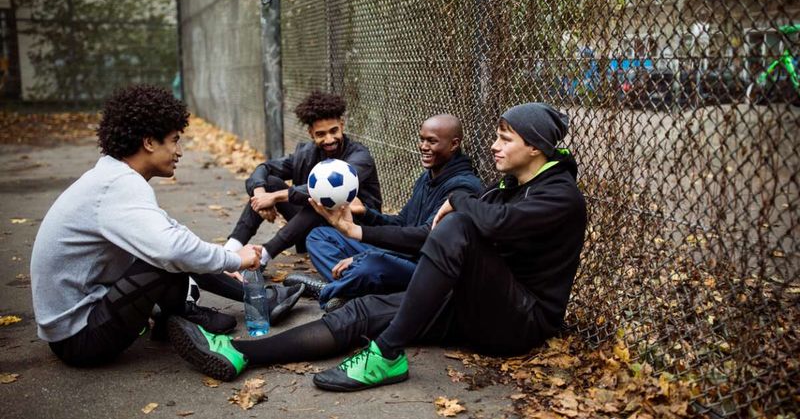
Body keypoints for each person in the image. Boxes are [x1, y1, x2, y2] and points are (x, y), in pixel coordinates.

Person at [167, 102, 587, 393]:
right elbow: (423, 234)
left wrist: (460, 202)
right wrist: (356, 230)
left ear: (534, 146)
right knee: (364, 310)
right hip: (480, 304)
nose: (494, 146)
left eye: (505, 139)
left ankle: (386, 355)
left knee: (455, 226)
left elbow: (489, 224)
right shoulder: (511, 186)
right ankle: (238, 352)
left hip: (521, 320)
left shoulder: (559, 194)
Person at [30, 85, 263, 367]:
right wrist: (235, 258)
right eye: (175, 140)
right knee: (167, 257)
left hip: (79, 322)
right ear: (150, 142)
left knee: (173, 247)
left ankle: (179, 316)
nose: (179, 151)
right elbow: (171, 249)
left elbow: (170, 230)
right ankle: (187, 315)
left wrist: (221, 261)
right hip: (79, 339)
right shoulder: (118, 185)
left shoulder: (112, 177)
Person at [287, 114, 482, 310]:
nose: (423, 146)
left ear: (454, 144)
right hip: (404, 254)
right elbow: (401, 223)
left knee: (371, 264)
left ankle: (329, 290)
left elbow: (425, 237)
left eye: (432, 141)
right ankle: (350, 288)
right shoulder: (428, 177)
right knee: (319, 236)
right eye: (422, 139)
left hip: (427, 267)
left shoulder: (462, 187)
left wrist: (361, 246)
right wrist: (365, 213)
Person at [216, 91, 382, 269]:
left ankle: (263, 256)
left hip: (354, 233)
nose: (329, 139)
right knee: (269, 183)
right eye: (321, 134)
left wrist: (275, 197)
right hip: (314, 228)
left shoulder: (360, 157)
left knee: (322, 200)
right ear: (311, 133)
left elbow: (326, 193)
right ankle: (229, 252)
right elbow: (264, 168)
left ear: (342, 125)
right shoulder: (305, 154)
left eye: (334, 131)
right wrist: (260, 195)